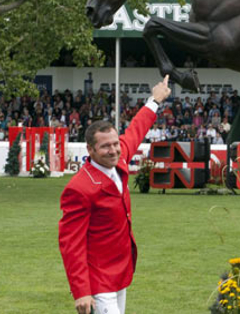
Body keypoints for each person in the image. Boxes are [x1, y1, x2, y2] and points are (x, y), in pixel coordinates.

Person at [58, 75, 171, 314]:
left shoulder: (119, 160)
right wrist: (81, 291)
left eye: (115, 144)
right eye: (105, 146)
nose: (113, 150)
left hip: (120, 274)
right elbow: (71, 244)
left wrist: (155, 99)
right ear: (90, 150)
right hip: (98, 281)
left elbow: (136, 130)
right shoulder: (79, 189)